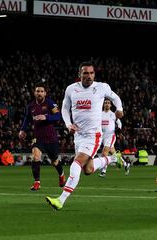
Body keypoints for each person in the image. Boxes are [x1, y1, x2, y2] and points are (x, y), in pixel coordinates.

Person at [45, 61, 123, 210]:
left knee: (76, 163)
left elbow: (115, 98)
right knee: (87, 170)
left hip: (93, 135)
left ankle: (60, 200)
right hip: (78, 136)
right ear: (79, 74)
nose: (89, 76)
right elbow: (65, 109)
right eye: (85, 73)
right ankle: (113, 158)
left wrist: (119, 109)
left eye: (91, 73)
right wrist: (68, 124)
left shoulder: (101, 87)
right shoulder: (71, 89)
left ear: (94, 74)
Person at [19, 82, 65, 191]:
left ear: (45, 93)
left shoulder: (50, 103)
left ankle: (61, 175)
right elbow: (27, 119)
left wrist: (46, 117)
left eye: (41, 91)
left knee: (54, 161)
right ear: (34, 93)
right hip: (38, 137)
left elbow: (58, 116)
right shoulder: (31, 106)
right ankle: (37, 182)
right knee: (35, 156)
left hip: (51, 137)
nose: (39, 93)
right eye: (37, 91)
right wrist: (22, 130)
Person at [98, 99, 130, 177]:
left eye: (108, 103)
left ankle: (103, 171)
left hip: (110, 136)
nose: (107, 104)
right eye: (105, 103)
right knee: (114, 153)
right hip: (102, 136)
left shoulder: (113, 114)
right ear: (103, 104)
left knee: (104, 152)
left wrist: (119, 129)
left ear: (110, 105)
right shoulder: (99, 114)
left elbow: (119, 123)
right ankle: (126, 164)